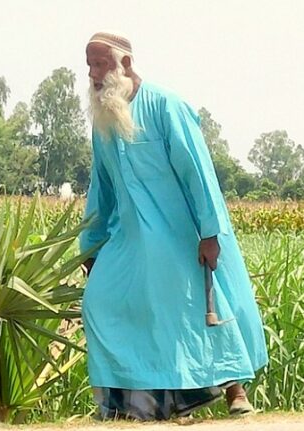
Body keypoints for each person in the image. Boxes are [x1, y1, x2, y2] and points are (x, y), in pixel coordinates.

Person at [80, 31, 268, 421]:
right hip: (128, 239)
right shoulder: (104, 121)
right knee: (99, 302)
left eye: (100, 64)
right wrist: (91, 245)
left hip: (179, 234)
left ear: (125, 64)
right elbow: (101, 188)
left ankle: (235, 389)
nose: (94, 74)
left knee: (186, 305)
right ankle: (139, 405)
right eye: (89, 65)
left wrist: (210, 232)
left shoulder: (166, 106)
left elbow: (198, 174)